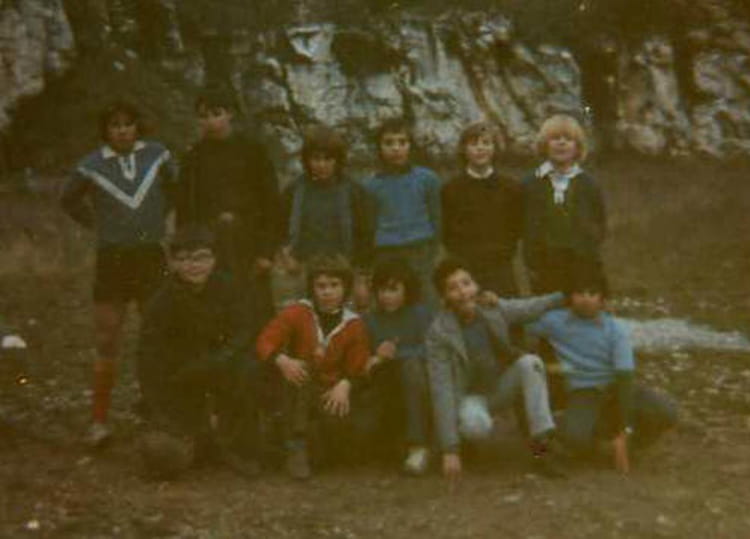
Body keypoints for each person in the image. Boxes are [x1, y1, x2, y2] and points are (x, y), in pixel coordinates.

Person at [61, 100, 177, 446]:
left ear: (137, 126)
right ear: (105, 130)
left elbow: (176, 191)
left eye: (128, 124)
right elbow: (68, 200)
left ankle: (159, 412)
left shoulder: (158, 155)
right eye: (115, 125)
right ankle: (99, 421)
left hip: (150, 256)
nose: (123, 130)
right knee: (107, 338)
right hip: (112, 259)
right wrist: (97, 225)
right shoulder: (91, 164)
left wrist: (156, 219)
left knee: (157, 334)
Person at [137, 227, 262, 479]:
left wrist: (221, 359)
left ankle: (237, 446)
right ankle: (197, 439)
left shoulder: (228, 287)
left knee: (248, 369)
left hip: (220, 367)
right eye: (184, 259)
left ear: (214, 259)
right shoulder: (161, 301)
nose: (193, 266)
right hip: (182, 376)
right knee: (166, 453)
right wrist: (159, 404)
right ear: (173, 263)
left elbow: (244, 330)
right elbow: (148, 359)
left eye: (201, 257)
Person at [426, 257, 566, 481]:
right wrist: (449, 449)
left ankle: (542, 448)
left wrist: (563, 297)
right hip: (470, 397)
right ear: (444, 297)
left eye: (466, 283)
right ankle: (464, 443)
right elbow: (441, 388)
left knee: (531, 364)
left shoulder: (490, 307)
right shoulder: (439, 332)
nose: (463, 292)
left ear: (476, 285)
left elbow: (527, 308)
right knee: (476, 426)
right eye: (453, 288)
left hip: (499, 387)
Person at [526, 267, 678, 469]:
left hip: (615, 386)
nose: (586, 299)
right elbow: (520, 323)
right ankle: (582, 435)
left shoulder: (615, 329)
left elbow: (625, 377)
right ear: (570, 297)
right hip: (585, 390)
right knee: (574, 437)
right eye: (579, 293)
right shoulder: (555, 321)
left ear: (602, 300)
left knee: (665, 411)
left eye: (592, 293)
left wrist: (626, 428)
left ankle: (629, 444)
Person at [256, 254, 371, 480]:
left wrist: (346, 384)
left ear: (345, 288)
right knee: (300, 371)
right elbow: (265, 340)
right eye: (321, 286)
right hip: (299, 387)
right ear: (312, 288)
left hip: (328, 390)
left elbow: (358, 364)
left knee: (331, 447)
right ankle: (296, 443)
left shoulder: (354, 324)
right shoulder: (299, 312)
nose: (327, 292)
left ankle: (297, 443)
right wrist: (281, 359)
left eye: (334, 285)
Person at [176, 88, 281, 319]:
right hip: (209, 246)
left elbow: (272, 204)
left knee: (256, 310)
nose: (211, 121)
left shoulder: (253, 151)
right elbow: (184, 209)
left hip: (249, 244)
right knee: (214, 311)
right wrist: (187, 252)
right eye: (204, 116)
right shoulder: (193, 157)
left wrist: (267, 252)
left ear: (230, 113)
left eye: (217, 113)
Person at [278, 125, 368, 304]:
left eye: (328, 159)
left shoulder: (353, 191)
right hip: (303, 268)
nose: (322, 165)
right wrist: (286, 256)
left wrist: (361, 278)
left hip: (343, 266)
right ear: (307, 160)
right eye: (316, 159)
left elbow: (365, 235)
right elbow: (278, 227)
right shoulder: (295, 190)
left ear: (337, 160)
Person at [363, 257, 433, 475]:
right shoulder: (370, 319)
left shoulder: (420, 314)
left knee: (412, 368)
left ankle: (418, 446)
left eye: (393, 289)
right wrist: (375, 356)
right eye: (381, 290)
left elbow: (431, 348)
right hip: (386, 383)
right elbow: (366, 356)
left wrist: (394, 354)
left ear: (407, 289)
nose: (386, 296)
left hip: (419, 382)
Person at [522, 114, 607, 295]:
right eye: (555, 138)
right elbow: (524, 224)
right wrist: (532, 260)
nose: (561, 143)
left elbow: (599, 223)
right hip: (543, 266)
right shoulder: (530, 183)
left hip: (581, 266)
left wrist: (588, 249)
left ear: (578, 147)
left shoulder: (588, 184)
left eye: (568, 139)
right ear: (544, 145)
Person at [361, 118, 441, 307]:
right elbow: (369, 225)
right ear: (379, 147)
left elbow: (436, 217)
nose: (396, 148)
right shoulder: (371, 185)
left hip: (420, 250)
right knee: (391, 303)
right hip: (386, 252)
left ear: (410, 146)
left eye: (402, 142)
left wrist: (434, 249)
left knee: (425, 302)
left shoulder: (427, 179)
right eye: (389, 143)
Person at [442, 121, 522, 297]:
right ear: (464, 149)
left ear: (495, 148)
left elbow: (516, 226)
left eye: (486, 143)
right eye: (474, 144)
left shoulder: (510, 187)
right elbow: (447, 230)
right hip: (467, 267)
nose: (480, 148)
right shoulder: (451, 189)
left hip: (501, 266)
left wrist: (505, 250)